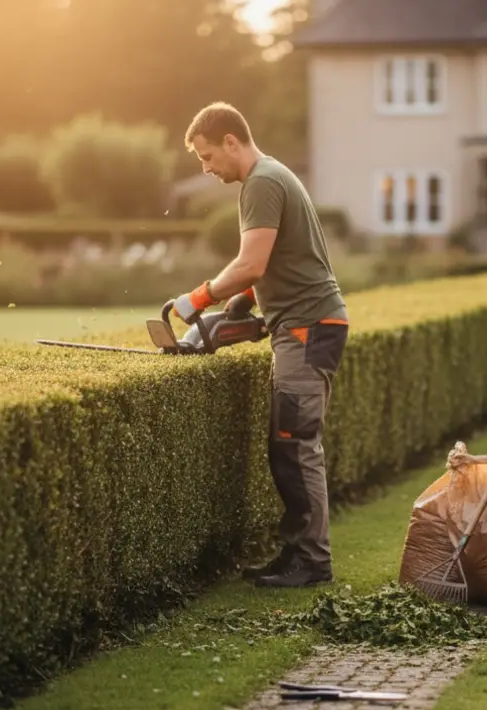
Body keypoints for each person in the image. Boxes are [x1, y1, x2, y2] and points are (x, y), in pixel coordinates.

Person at [173, 101, 348, 589]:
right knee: (286, 446)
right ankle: (296, 553)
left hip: (307, 329)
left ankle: (313, 563)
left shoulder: (262, 182)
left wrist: (199, 298)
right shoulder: (271, 176)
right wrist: (243, 303)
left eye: (208, 156)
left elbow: (251, 262)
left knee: (296, 447)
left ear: (231, 141)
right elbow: (275, 262)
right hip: (305, 326)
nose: (206, 169)